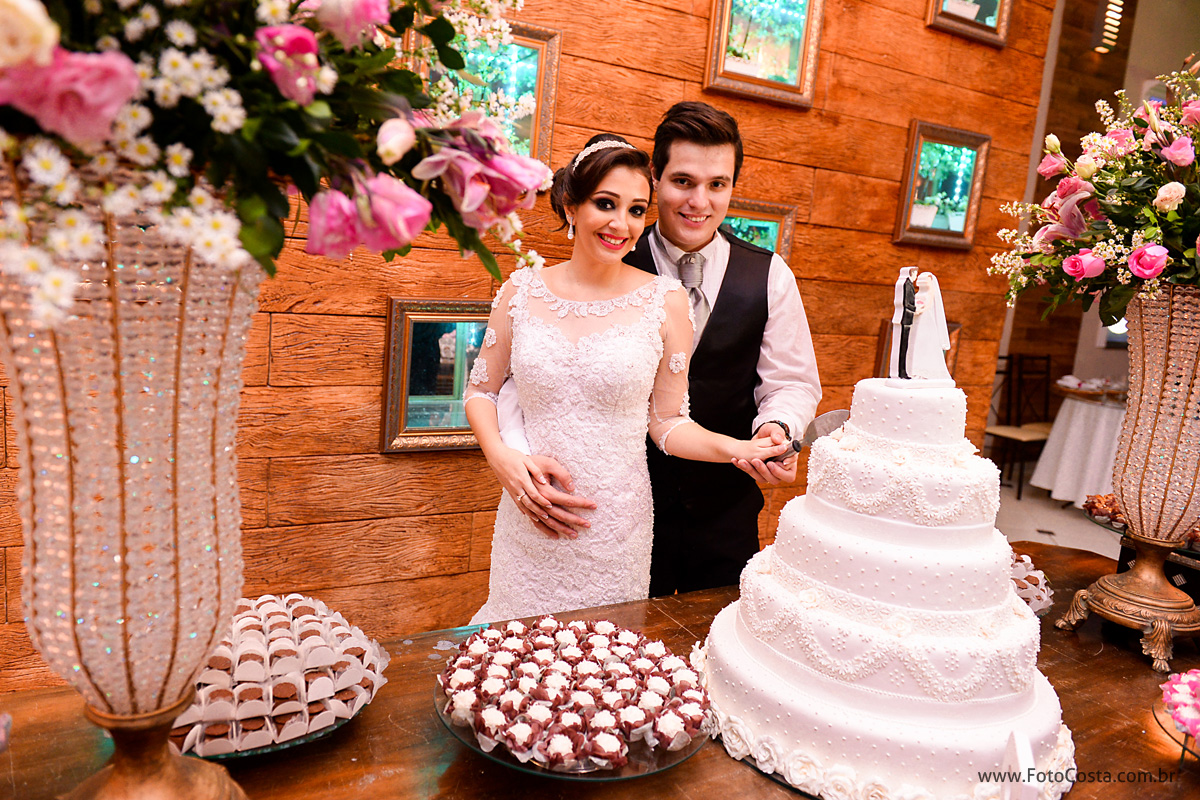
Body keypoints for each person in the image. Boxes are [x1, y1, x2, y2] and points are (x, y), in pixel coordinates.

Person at [463, 135, 791, 624]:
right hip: (528, 518)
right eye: (605, 204)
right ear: (570, 206)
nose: (622, 224)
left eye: (637, 210)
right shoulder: (520, 290)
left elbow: (667, 423)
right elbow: (481, 391)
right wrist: (504, 461)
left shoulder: (666, 301)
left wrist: (737, 448)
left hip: (615, 526)